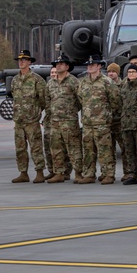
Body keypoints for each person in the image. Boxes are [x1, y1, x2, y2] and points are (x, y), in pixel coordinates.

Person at [76, 55, 120, 185]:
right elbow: (81, 99)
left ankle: (108, 174)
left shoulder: (107, 82)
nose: (90, 67)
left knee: (104, 150)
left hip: (101, 122)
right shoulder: (83, 82)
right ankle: (89, 174)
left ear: (99, 66)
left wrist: (105, 115)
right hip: (87, 123)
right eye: (88, 65)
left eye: (92, 65)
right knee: (88, 150)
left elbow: (115, 101)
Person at [10, 49, 47, 183]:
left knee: (36, 147)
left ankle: (39, 172)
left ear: (29, 62)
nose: (21, 62)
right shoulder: (15, 80)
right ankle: (23, 173)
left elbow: (43, 100)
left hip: (32, 121)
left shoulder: (37, 79)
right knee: (20, 148)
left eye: (24, 60)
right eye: (19, 60)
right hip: (19, 121)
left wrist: (35, 111)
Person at [45, 55, 82, 183]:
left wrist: (70, 111)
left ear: (67, 66)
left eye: (61, 63)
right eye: (57, 63)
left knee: (74, 148)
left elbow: (80, 101)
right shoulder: (51, 83)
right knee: (56, 148)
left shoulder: (74, 82)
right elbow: (47, 101)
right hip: (55, 121)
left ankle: (78, 173)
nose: (58, 65)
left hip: (69, 121)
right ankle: (59, 172)